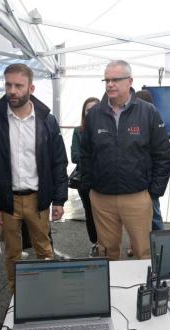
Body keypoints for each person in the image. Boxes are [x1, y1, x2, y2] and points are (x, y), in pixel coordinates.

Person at [0, 63, 68, 292]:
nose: (12, 90)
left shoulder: (46, 121)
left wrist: (60, 199)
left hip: (38, 199)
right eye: (8, 85)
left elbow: (59, 162)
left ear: (31, 88)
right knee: (12, 254)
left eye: (18, 86)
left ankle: (49, 293)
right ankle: (17, 298)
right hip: (6, 201)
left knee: (44, 250)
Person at [80, 60, 170, 260]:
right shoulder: (95, 114)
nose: (110, 84)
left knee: (143, 251)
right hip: (102, 198)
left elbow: (163, 155)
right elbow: (85, 154)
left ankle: (145, 291)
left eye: (116, 80)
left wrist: (154, 192)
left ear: (130, 81)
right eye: (107, 80)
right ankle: (112, 290)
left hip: (137, 196)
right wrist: (90, 187)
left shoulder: (148, 112)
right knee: (107, 252)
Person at [71, 97, 100, 254]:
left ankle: (106, 244)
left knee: (106, 215)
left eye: (95, 109)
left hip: (104, 181)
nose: (91, 113)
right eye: (88, 110)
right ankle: (95, 243)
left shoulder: (108, 129)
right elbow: (75, 156)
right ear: (84, 112)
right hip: (85, 181)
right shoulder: (78, 131)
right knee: (90, 213)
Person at [135, 89, 165, 233]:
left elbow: (162, 157)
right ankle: (139, 246)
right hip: (140, 182)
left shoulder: (153, 122)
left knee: (154, 216)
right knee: (140, 218)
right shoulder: (133, 123)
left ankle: (160, 246)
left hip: (148, 181)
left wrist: (155, 189)